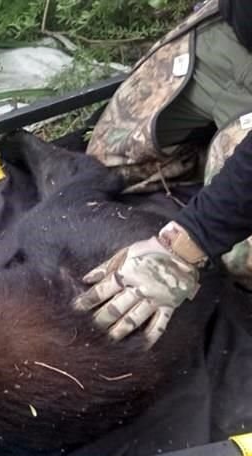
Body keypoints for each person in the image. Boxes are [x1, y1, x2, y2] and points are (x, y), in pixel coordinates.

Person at [75, 0, 252, 348]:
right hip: (230, 41)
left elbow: (195, 242)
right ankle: (211, 156)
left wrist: (187, 244)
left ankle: (225, 166)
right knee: (106, 163)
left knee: (241, 259)